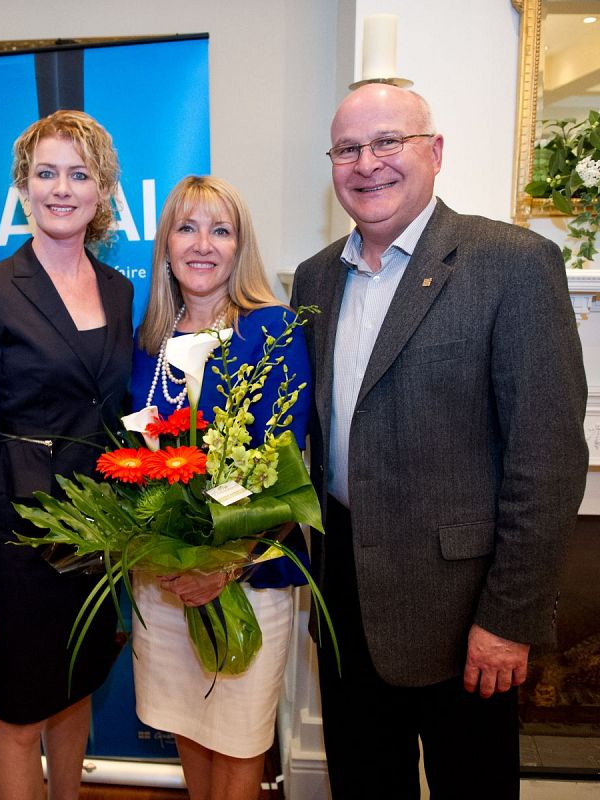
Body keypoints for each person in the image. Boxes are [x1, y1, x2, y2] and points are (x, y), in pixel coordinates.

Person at [291, 83, 588, 798]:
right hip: (344, 606)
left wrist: (508, 620)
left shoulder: (512, 265)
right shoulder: (314, 278)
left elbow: (546, 461)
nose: (368, 164)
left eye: (388, 142)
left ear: (435, 151)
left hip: (464, 618)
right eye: (348, 149)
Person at [0, 109, 133, 800]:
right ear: (22, 189)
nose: (62, 188)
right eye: (45, 173)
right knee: (21, 715)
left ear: (103, 192)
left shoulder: (119, 291)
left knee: (78, 692)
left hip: (96, 544)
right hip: (18, 550)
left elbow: (113, 416)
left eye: (79, 174)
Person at [129, 175, 312, 800]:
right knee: (188, 729)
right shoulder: (149, 341)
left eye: (220, 229)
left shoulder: (273, 330)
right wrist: (164, 548)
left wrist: (225, 564)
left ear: (240, 246)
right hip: (167, 582)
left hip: (249, 576)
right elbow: (133, 456)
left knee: (238, 741)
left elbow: (281, 472)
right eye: (186, 227)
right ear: (166, 246)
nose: (202, 244)